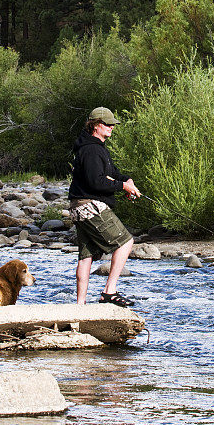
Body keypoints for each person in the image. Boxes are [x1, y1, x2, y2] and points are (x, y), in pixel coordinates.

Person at [68, 106, 141, 307]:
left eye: (112, 125)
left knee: (86, 256)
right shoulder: (91, 149)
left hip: (78, 207)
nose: (111, 128)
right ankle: (109, 292)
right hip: (89, 206)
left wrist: (128, 181)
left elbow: (113, 173)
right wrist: (122, 186)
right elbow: (96, 182)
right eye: (107, 124)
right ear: (96, 126)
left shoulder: (94, 147)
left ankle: (80, 305)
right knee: (125, 242)